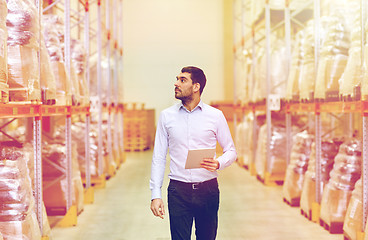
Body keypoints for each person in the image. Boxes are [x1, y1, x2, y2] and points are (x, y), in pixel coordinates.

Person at [150, 66, 237, 240]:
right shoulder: (167, 116)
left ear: (196, 87)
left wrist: (219, 162)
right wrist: (155, 195)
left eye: (182, 80)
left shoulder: (215, 116)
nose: (176, 84)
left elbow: (231, 151)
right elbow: (158, 157)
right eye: (177, 79)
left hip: (208, 190)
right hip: (178, 191)